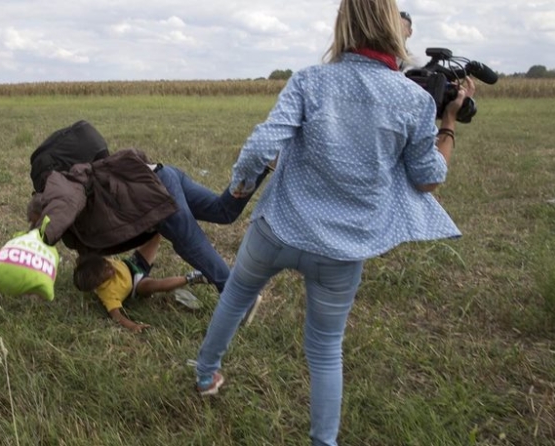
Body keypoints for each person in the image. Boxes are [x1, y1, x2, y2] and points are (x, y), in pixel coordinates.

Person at [193, 1, 475, 445]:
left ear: (343, 25)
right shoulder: (415, 100)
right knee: (325, 349)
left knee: (234, 298)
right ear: (394, 31)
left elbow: (261, 145)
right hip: (342, 252)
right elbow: (428, 180)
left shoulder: (310, 80)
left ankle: (205, 375)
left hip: (277, 228)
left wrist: (241, 188)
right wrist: (450, 121)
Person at [28, 148, 271, 293]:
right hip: (160, 174)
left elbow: (63, 208)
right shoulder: (77, 233)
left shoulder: (61, 194)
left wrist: (37, 238)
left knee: (189, 242)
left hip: (152, 194)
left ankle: (238, 296)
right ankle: (258, 165)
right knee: (222, 212)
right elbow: (90, 254)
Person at [73, 233, 208, 333]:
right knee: (154, 285)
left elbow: (83, 256)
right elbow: (117, 316)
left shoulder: (97, 264)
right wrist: (133, 326)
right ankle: (192, 278)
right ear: (99, 282)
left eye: (107, 263)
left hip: (133, 264)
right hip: (137, 284)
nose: (110, 266)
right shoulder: (108, 294)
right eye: (107, 270)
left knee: (155, 236)